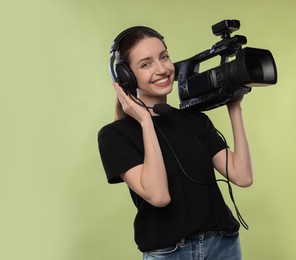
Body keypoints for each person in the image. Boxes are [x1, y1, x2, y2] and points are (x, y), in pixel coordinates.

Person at [97, 25, 253, 260]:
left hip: (223, 245)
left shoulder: (195, 120)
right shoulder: (114, 136)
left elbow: (242, 176)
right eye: (146, 64)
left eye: (164, 57)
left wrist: (235, 106)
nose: (162, 69)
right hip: (170, 254)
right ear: (126, 77)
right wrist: (146, 122)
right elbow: (159, 196)